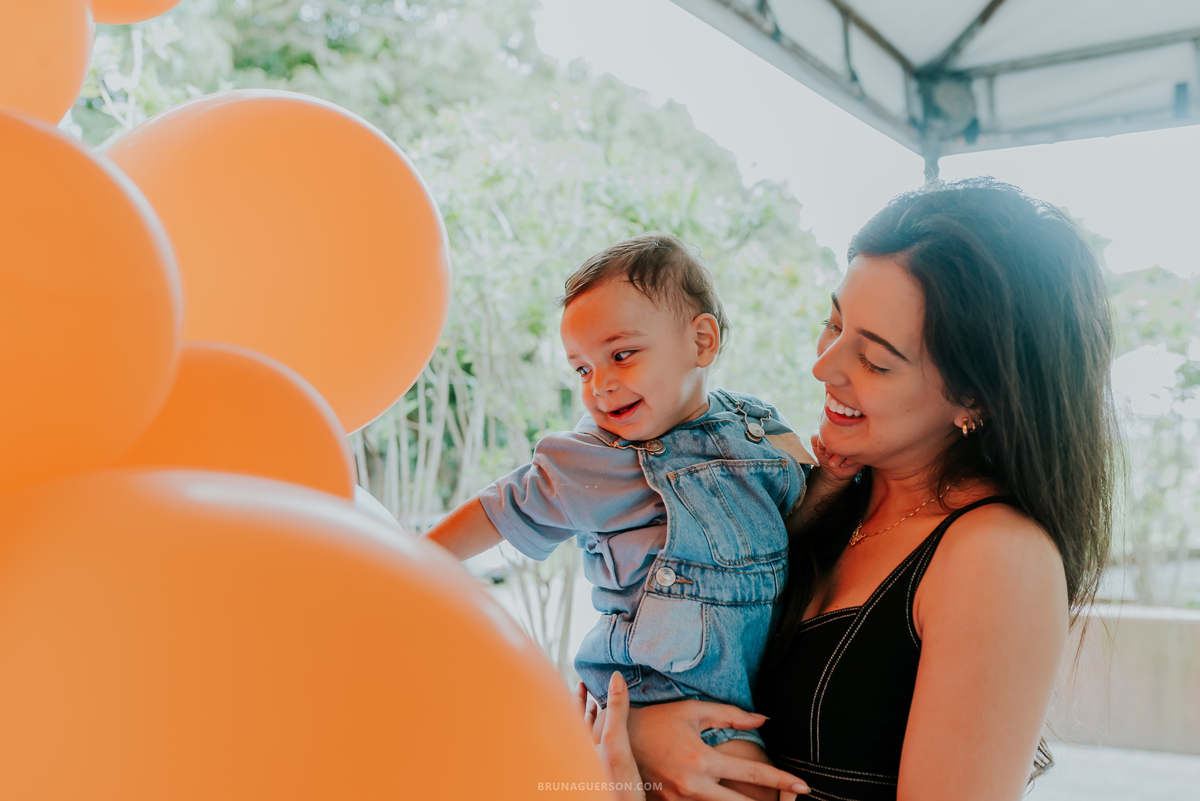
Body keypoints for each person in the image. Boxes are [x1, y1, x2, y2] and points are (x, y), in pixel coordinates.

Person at [616, 179, 1118, 801]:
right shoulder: (808, 492)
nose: (824, 367)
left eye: (876, 361)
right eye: (834, 322)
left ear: (975, 397)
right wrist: (641, 732)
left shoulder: (997, 558)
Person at [426, 234, 833, 799]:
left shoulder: (758, 427)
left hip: (741, 692)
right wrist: (416, 556)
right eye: (582, 369)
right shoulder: (597, 459)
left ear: (701, 341)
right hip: (646, 693)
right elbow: (504, 507)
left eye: (621, 355)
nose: (600, 385)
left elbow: (807, 515)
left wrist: (835, 476)